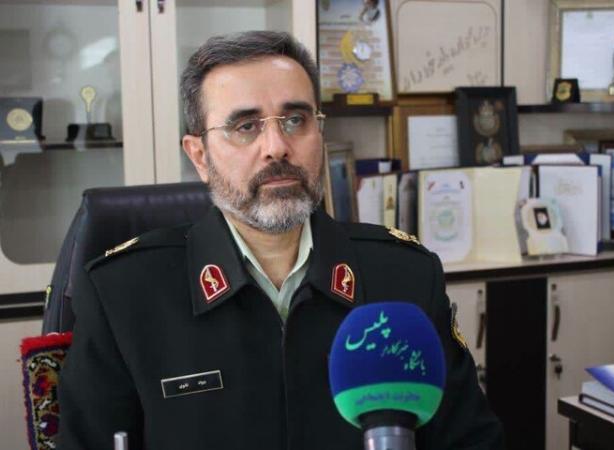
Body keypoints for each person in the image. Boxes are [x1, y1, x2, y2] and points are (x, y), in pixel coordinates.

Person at [58, 31, 503, 450]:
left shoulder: (406, 277)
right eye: (245, 126)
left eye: (295, 120)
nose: (277, 146)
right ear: (200, 156)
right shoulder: (123, 294)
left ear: (320, 134)